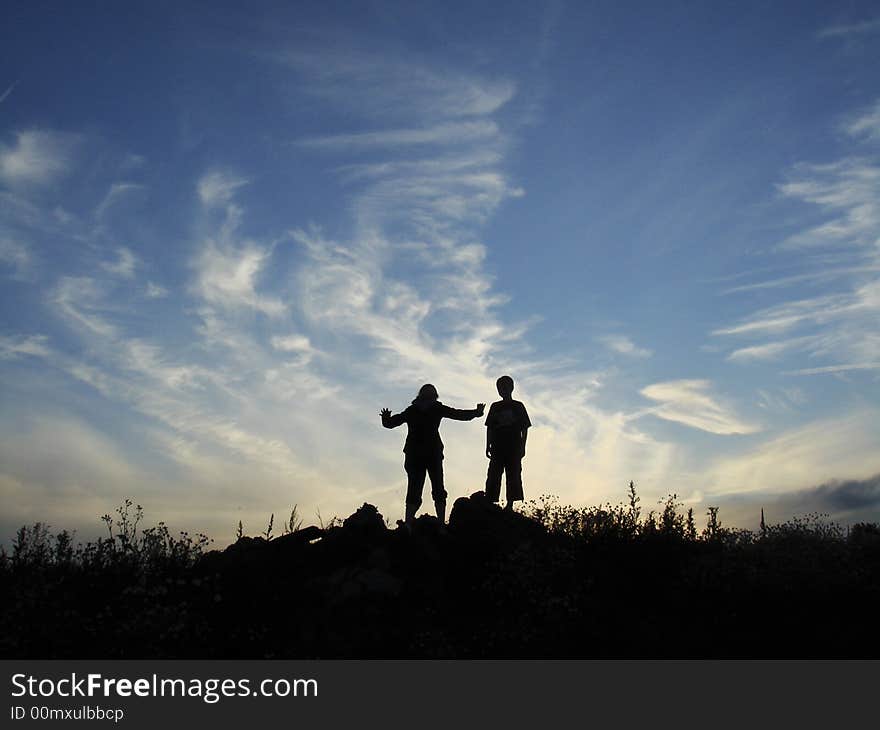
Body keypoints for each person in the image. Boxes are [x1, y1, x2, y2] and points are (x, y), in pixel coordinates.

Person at [381, 384, 485, 529]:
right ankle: (423, 523)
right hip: (425, 454)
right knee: (429, 488)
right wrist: (476, 412)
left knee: (423, 488)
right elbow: (457, 414)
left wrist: (475, 412)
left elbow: (392, 423)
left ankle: (414, 523)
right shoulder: (422, 410)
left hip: (424, 454)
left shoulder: (418, 410)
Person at [484, 375, 531, 510]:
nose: (502, 390)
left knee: (514, 473)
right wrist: (488, 445)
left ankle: (510, 503)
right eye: (500, 387)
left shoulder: (518, 406)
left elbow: (525, 428)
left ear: (511, 388)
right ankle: (490, 500)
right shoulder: (495, 406)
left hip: (514, 446)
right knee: (493, 473)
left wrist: (523, 446)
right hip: (497, 446)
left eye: (505, 387)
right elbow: (490, 427)